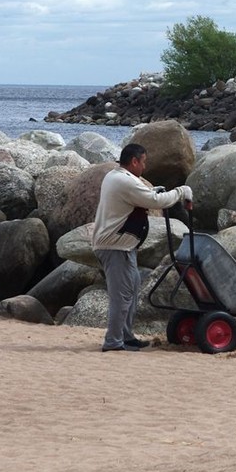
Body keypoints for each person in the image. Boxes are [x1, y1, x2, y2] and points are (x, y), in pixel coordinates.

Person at [92, 143, 192, 352]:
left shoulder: (116, 176)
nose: (145, 167)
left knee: (132, 288)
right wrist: (182, 191)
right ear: (134, 161)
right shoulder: (123, 181)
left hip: (122, 246)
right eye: (144, 162)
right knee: (122, 296)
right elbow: (156, 201)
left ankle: (126, 336)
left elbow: (141, 196)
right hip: (115, 247)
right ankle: (113, 342)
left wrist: (153, 191)